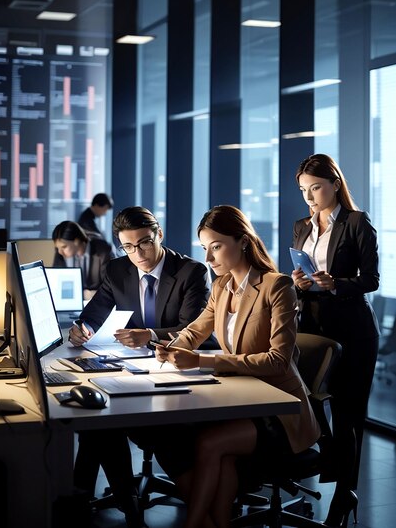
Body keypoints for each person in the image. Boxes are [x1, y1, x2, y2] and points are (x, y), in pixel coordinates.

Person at [153, 204, 320, 528]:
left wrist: (201, 360)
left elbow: (278, 359)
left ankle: (195, 524)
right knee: (212, 449)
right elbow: (196, 329)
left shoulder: (277, 286)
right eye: (205, 248)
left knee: (210, 443)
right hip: (244, 403)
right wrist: (173, 347)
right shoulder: (222, 287)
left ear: (242, 241)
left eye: (216, 247)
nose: (209, 258)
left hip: (281, 412)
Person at [67, 206, 211, 527]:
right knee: (98, 419)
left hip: (176, 369)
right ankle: (122, 504)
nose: (138, 254)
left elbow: (193, 330)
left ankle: (88, 501)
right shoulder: (117, 269)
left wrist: (149, 335)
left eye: (144, 243)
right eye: (128, 247)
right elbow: (97, 309)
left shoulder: (192, 272)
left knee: (100, 423)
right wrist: (84, 328)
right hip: (135, 370)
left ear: (159, 235)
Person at [292, 153, 380, 528]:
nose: (309, 197)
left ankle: (345, 494)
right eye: (303, 190)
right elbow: (301, 271)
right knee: (310, 402)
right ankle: (330, 467)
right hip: (312, 326)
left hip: (351, 327)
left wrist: (336, 284)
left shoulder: (357, 223)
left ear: (334, 185)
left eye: (315, 188)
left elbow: (371, 280)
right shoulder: (301, 226)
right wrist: (298, 281)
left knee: (348, 415)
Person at [52, 220, 113, 300]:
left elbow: (110, 287)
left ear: (76, 241)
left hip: (98, 301)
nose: (60, 252)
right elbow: (56, 282)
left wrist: (90, 294)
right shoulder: (61, 252)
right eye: (57, 248)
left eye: (64, 247)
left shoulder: (103, 251)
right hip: (70, 300)